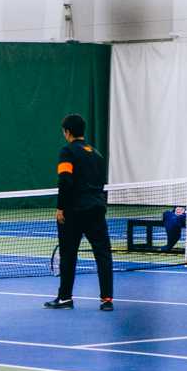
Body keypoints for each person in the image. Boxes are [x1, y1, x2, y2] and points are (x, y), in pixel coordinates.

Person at [45, 114, 114, 311]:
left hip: (74, 212)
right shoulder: (97, 154)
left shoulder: (67, 151)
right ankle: (107, 300)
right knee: (103, 255)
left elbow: (65, 180)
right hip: (97, 209)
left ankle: (65, 298)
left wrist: (60, 208)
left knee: (68, 254)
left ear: (67, 132)